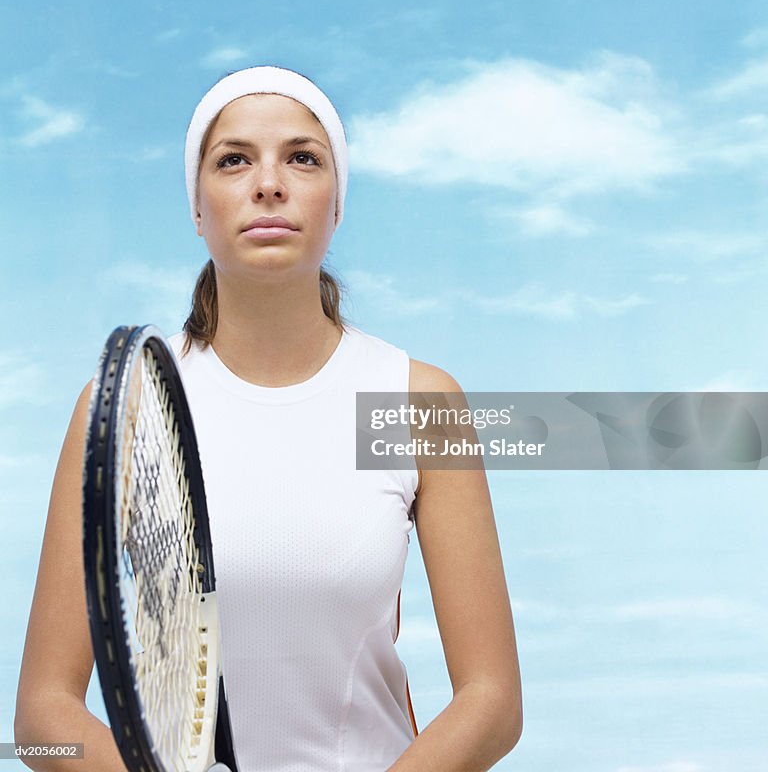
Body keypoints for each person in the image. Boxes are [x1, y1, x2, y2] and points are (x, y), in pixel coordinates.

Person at [15, 65, 523, 772]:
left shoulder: (419, 402)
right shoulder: (123, 406)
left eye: (303, 158)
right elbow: (41, 723)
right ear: (196, 208)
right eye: (233, 161)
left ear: (336, 203)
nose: (269, 183)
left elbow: (493, 700)